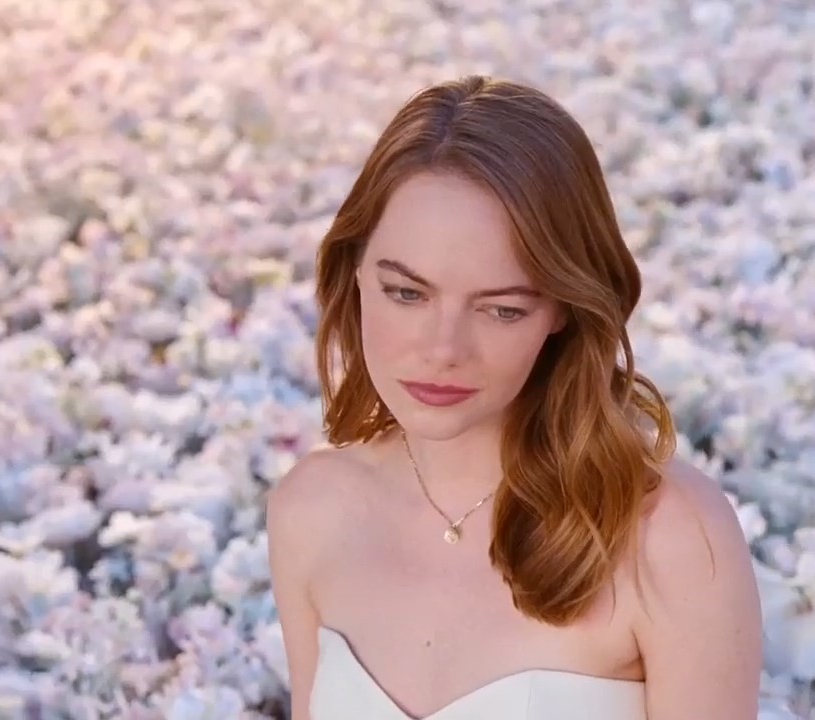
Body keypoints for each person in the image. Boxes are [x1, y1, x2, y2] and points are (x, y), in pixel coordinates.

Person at [266, 74, 763, 720]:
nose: (444, 349)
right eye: (407, 293)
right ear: (354, 272)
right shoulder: (309, 511)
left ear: (563, 309)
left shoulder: (668, 535)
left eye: (502, 309)